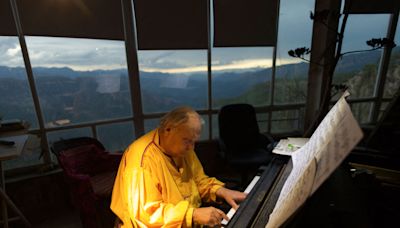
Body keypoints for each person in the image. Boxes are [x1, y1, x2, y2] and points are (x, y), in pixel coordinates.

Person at [111, 106, 247, 227]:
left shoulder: (183, 148)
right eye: (187, 141)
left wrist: (221, 191)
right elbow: (147, 216)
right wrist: (192, 214)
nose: (191, 148)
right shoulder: (142, 161)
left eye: (194, 142)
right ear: (168, 129)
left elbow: (199, 180)